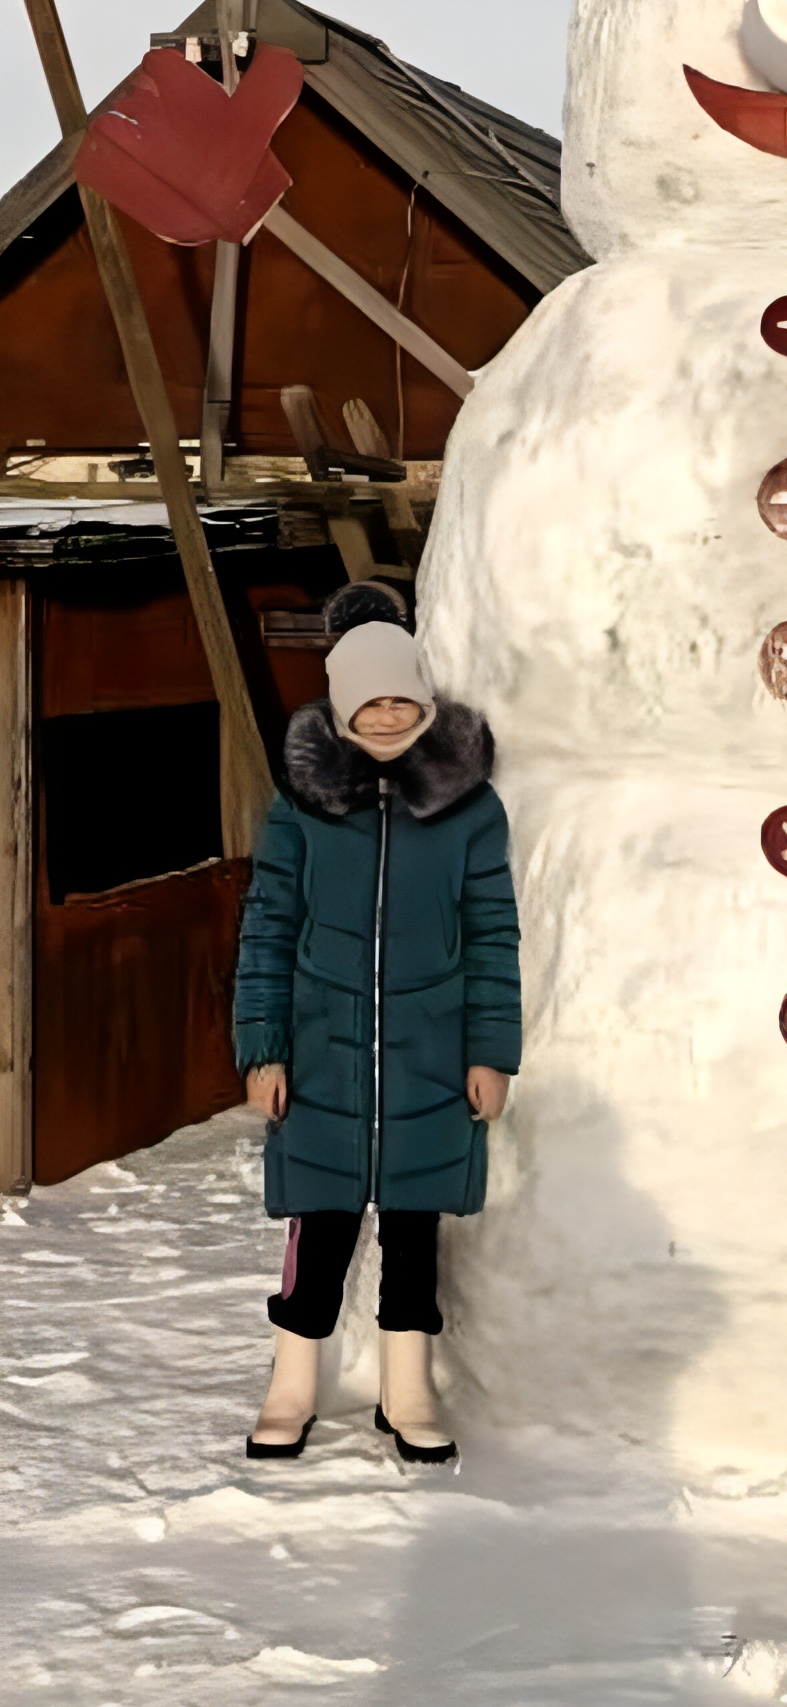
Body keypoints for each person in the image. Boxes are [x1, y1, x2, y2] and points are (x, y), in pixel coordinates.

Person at [233, 582, 521, 1464]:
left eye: (403, 698)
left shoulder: (468, 811)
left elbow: (493, 936)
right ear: (344, 707)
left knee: (412, 1228)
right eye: (372, 700)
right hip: (322, 1055)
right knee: (317, 1227)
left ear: (425, 704)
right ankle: (291, 1383)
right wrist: (263, 1047)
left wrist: (491, 1052)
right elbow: (268, 928)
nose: (389, 715)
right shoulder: (302, 809)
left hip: (431, 1057)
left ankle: (409, 1390)